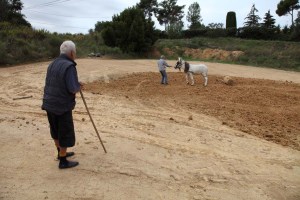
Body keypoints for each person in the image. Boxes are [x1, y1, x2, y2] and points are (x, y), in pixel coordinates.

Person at [42, 40, 82, 169]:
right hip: (61, 105)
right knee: (64, 132)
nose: (75, 55)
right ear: (71, 53)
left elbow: (58, 81)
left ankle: (60, 153)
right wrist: (78, 86)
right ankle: (63, 161)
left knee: (55, 130)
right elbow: (72, 88)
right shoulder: (69, 66)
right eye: (74, 53)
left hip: (49, 103)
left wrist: (75, 84)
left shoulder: (52, 64)